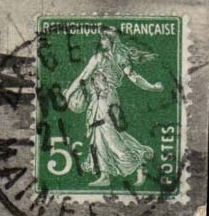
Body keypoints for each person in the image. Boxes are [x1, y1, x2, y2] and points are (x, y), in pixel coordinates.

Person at [63, 27, 163, 187]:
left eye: (103, 39)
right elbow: (134, 78)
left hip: (103, 100)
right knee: (101, 135)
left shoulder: (99, 57)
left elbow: (83, 77)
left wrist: (67, 95)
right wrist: (151, 87)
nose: (100, 41)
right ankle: (105, 175)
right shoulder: (120, 57)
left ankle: (138, 162)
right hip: (108, 99)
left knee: (110, 137)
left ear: (110, 40)